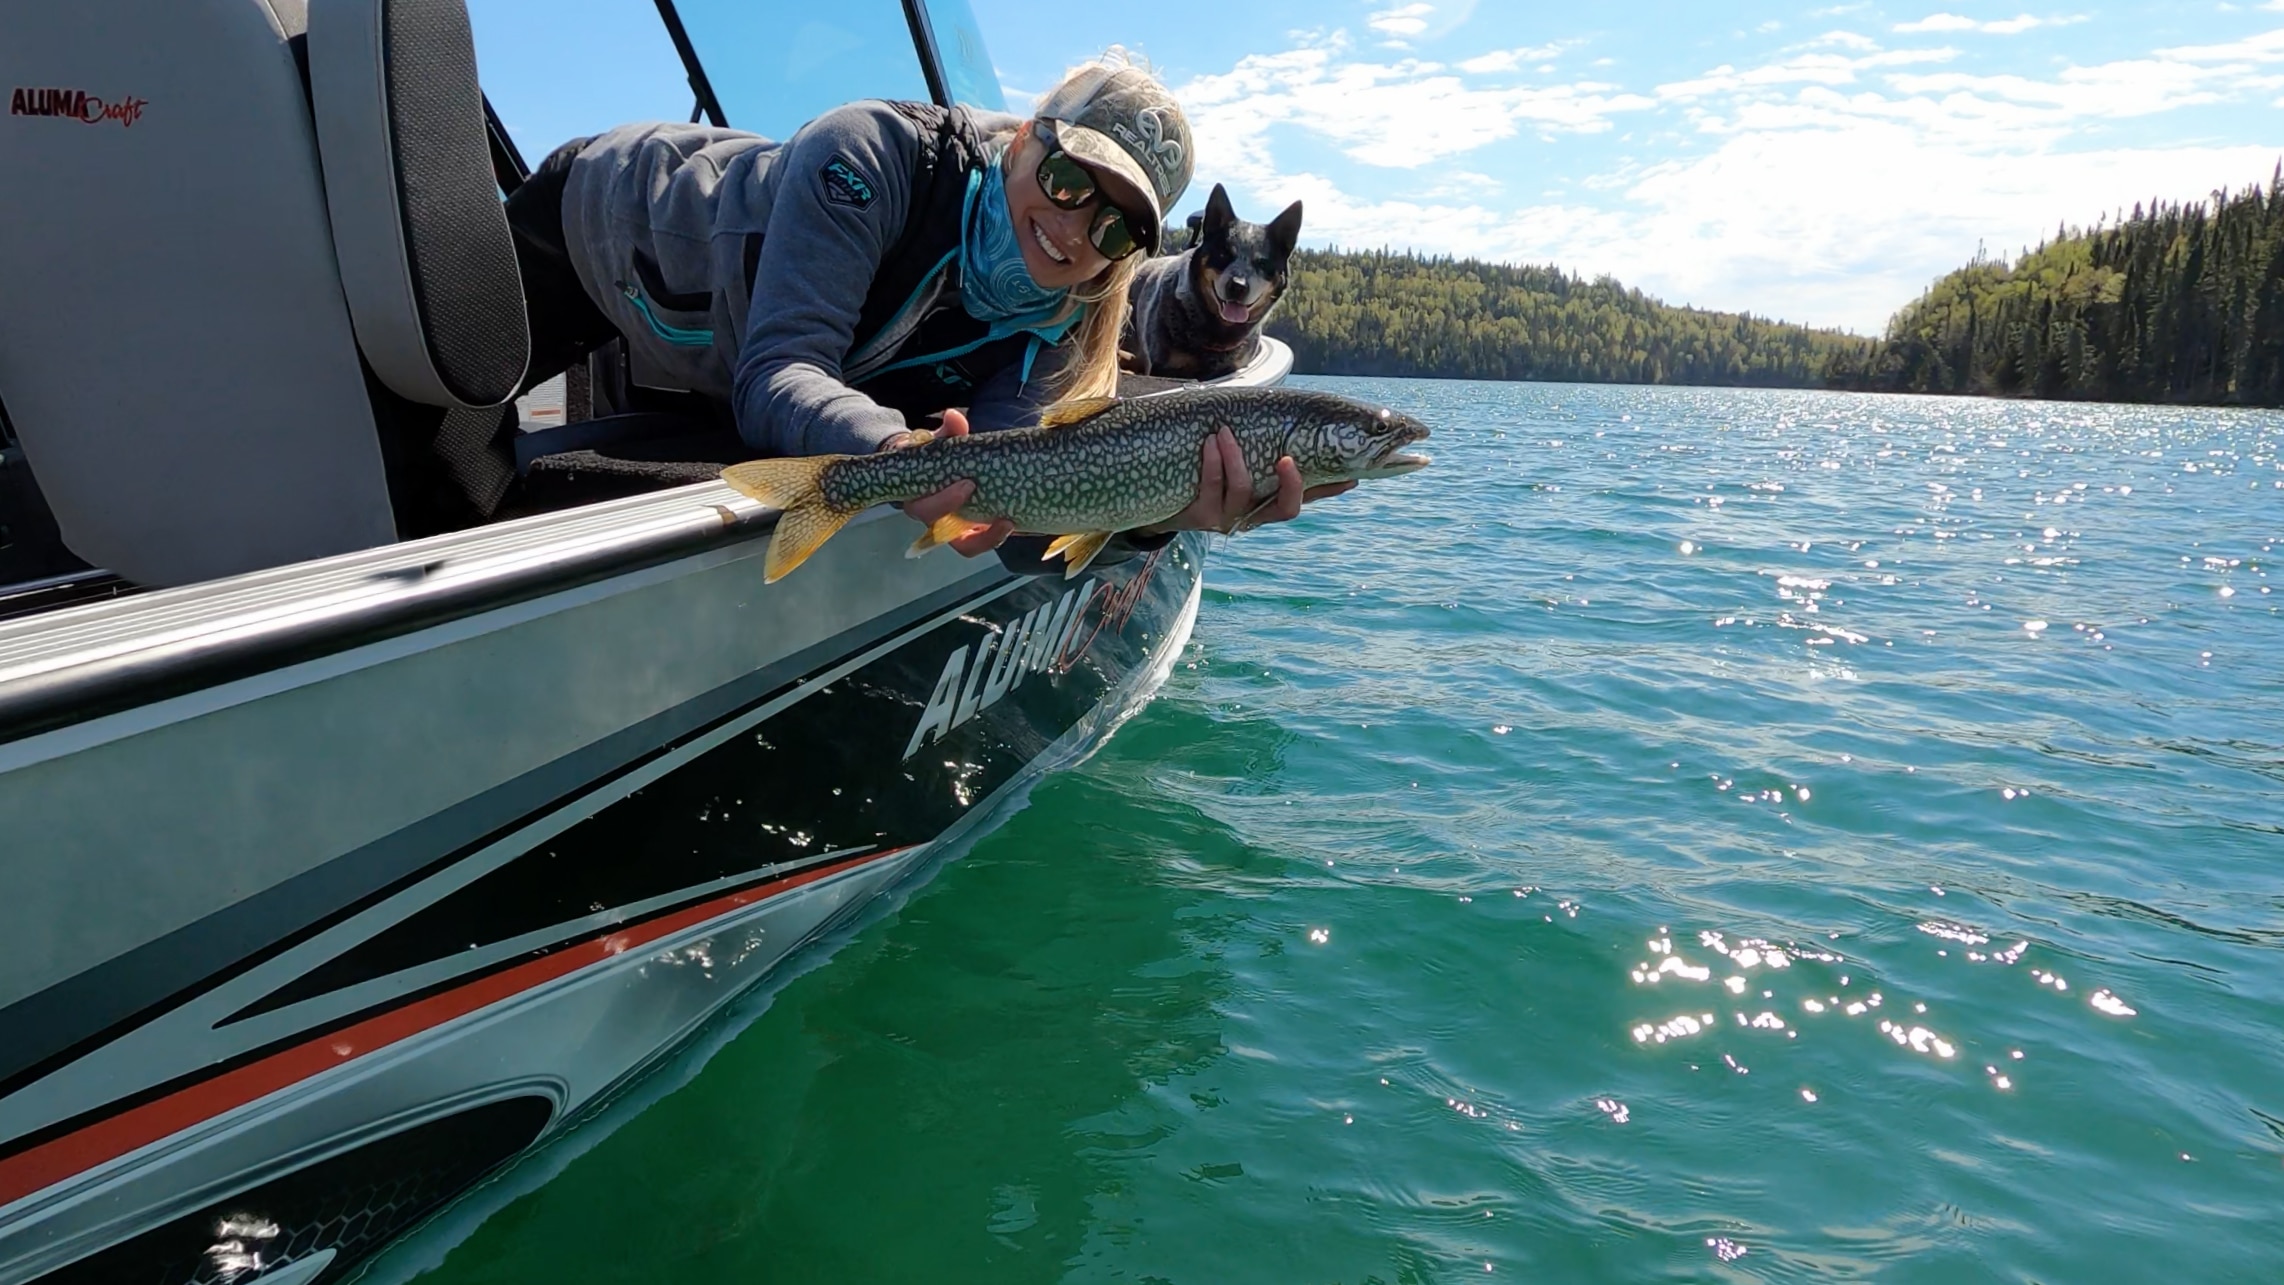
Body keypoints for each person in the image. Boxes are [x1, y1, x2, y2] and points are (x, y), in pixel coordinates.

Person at [502, 53, 1352, 562]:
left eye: (1112, 226)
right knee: (435, 488)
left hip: (713, 359)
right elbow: (781, 371)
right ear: (1023, 141)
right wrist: (893, 450)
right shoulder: (870, 154)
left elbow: (1009, 477)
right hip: (601, 236)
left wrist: (1155, 520)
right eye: (1064, 180)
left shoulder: (1061, 320)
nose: (1070, 230)